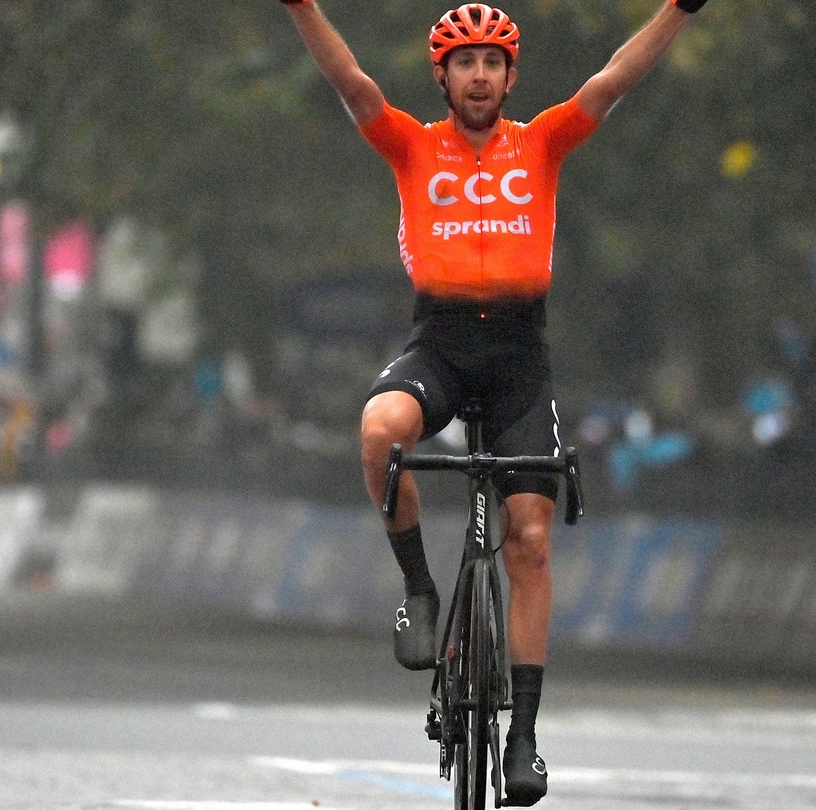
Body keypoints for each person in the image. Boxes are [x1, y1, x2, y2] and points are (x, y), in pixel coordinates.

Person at [279, 1, 706, 804]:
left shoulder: (540, 141)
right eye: (463, 62)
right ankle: (418, 586)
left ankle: (526, 737)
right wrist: (301, 5)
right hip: (438, 346)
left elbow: (615, 78)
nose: (479, 76)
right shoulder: (411, 144)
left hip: (518, 359)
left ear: (511, 76)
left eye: (492, 63)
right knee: (379, 433)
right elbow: (350, 80)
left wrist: (681, 10)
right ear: (442, 75)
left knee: (532, 538)